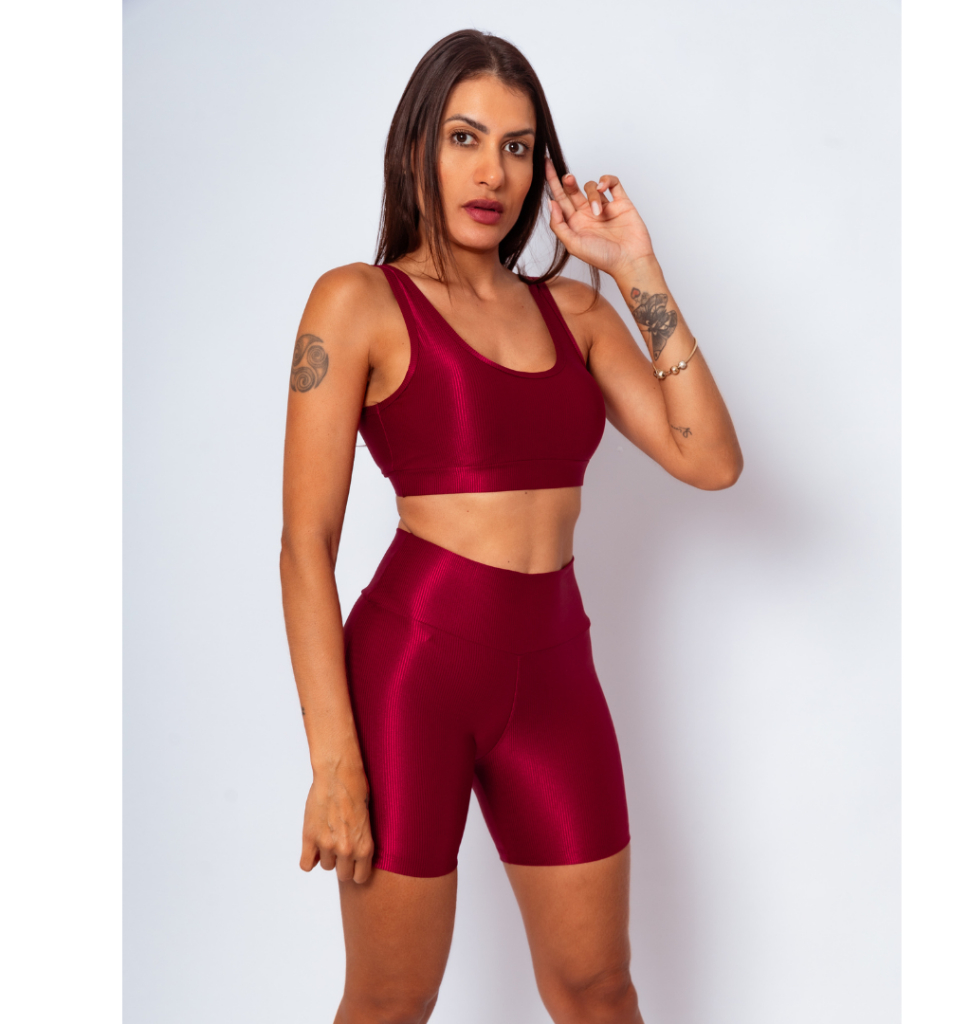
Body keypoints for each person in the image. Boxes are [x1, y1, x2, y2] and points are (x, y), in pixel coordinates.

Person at [280, 28, 742, 1024]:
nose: (492, 172)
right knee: (393, 999)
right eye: (465, 138)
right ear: (417, 146)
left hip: (556, 673)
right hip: (413, 674)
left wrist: (638, 269)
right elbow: (305, 547)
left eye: (518, 147)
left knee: (599, 989)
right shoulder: (358, 301)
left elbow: (710, 459)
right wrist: (334, 764)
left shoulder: (575, 313)